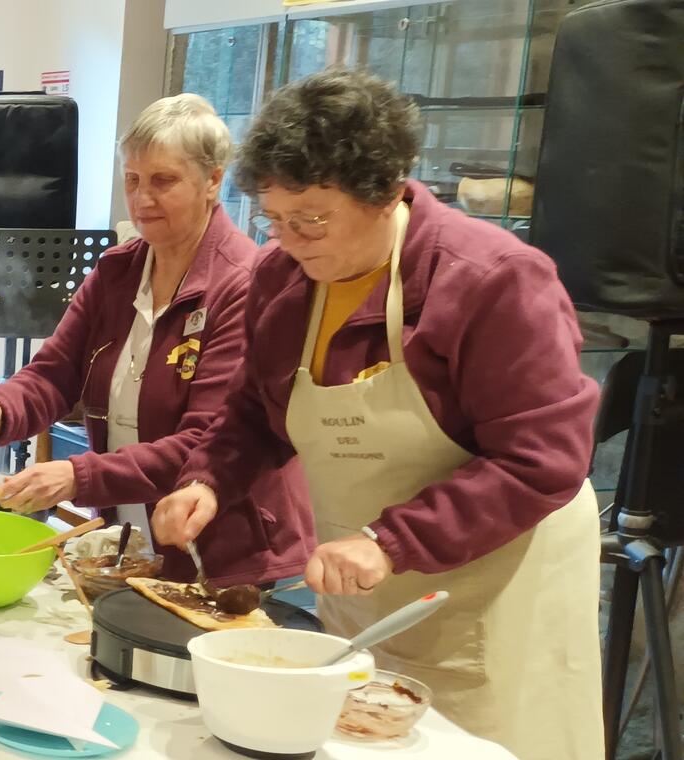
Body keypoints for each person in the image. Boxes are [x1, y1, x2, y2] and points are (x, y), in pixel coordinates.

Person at [152, 69, 603, 759]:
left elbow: (541, 461)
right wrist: (205, 480)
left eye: (310, 220)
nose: (290, 240)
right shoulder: (282, 281)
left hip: (492, 582)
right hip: (360, 576)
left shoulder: (489, 281)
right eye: (274, 220)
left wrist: (390, 541)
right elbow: (251, 411)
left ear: (388, 190)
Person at [0, 94, 314, 586]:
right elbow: (56, 372)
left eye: (164, 181)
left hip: (227, 548)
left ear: (213, 181)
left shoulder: (245, 284)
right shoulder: (118, 270)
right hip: (136, 531)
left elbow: (206, 441)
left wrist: (77, 475)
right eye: (133, 180)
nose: (143, 199)